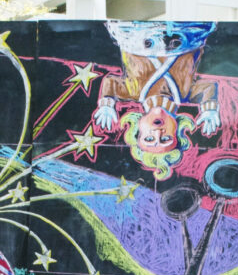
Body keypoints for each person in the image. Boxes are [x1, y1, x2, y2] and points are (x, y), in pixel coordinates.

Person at [93, 21, 220, 180]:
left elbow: (110, 82)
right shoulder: (184, 95)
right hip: (187, 28)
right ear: (177, 130)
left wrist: (106, 105)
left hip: (136, 27)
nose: (158, 133)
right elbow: (208, 87)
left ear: (138, 128)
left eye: (149, 139)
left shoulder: (133, 93)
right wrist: (209, 109)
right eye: (166, 139)